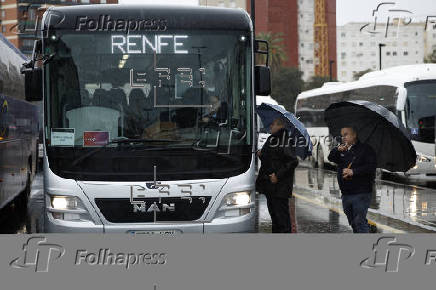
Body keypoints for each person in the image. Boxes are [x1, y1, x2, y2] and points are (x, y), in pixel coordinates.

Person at [328, 127, 377, 233]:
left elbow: (371, 167)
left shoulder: (366, 149)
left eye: (346, 135)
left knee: (359, 222)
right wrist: (337, 150)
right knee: (353, 222)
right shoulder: (343, 149)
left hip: (361, 192)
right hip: (346, 193)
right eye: (342, 135)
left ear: (354, 135)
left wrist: (353, 172)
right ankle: (367, 228)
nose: (343, 137)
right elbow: (330, 158)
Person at [256, 118, 299, 233]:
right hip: (270, 186)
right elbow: (270, 159)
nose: (270, 126)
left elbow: (292, 161)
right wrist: (261, 154)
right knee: (275, 218)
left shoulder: (284, 140)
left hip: (280, 187)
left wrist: (278, 176)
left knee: (282, 220)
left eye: (273, 124)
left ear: (280, 126)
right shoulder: (272, 138)